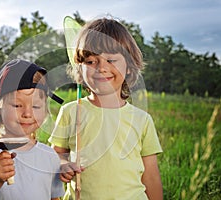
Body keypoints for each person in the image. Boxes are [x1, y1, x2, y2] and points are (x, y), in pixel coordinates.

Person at [49, 17, 163, 199]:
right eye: (90, 61)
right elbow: (56, 155)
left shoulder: (142, 120)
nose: (101, 68)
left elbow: (151, 176)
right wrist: (63, 164)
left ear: (128, 67)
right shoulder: (71, 112)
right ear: (79, 68)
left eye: (111, 60)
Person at [0, 59, 65, 200]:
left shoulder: (50, 156)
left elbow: (54, 197)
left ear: (45, 111)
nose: (27, 114)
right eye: (16, 105)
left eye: (36, 107)